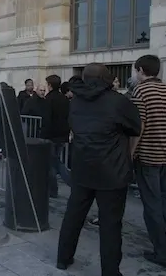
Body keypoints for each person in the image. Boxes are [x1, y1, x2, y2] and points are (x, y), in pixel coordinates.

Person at [56, 63, 141, 276]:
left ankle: (63, 259)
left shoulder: (75, 101)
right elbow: (134, 127)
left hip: (83, 168)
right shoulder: (118, 101)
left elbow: (74, 126)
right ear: (107, 79)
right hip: (112, 171)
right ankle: (110, 271)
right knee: (110, 224)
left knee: (73, 216)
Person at [130, 55, 166, 268]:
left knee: (152, 205)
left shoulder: (141, 91)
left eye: (136, 71)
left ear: (141, 70)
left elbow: (139, 127)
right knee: (165, 200)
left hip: (148, 157)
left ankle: (162, 252)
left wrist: (131, 153)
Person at [42, 74, 71, 198]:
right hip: (62, 135)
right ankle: (53, 189)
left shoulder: (49, 99)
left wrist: (43, 135)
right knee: (54, 161)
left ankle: (58, 188)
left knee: (53, 163)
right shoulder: (64, 99)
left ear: (50, 85)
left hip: (51, 135)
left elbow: (47, 119)